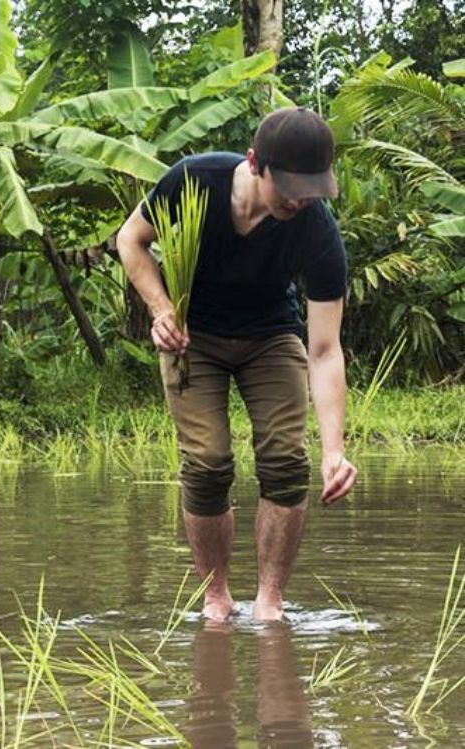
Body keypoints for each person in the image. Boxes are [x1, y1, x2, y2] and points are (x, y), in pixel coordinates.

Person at [116, 107, 358, 622]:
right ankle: (217, 599)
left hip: (271, 336)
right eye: (289, 186)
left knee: (287, 463)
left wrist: (334, 450)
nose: (298, 199)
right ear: (255, 164)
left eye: (311, 188)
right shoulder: (194, 180)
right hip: (193, 337)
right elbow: (129, 240)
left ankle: (269, 605)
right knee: (206, 463)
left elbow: (324, 349)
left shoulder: (316, 229)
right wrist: (162, 311)